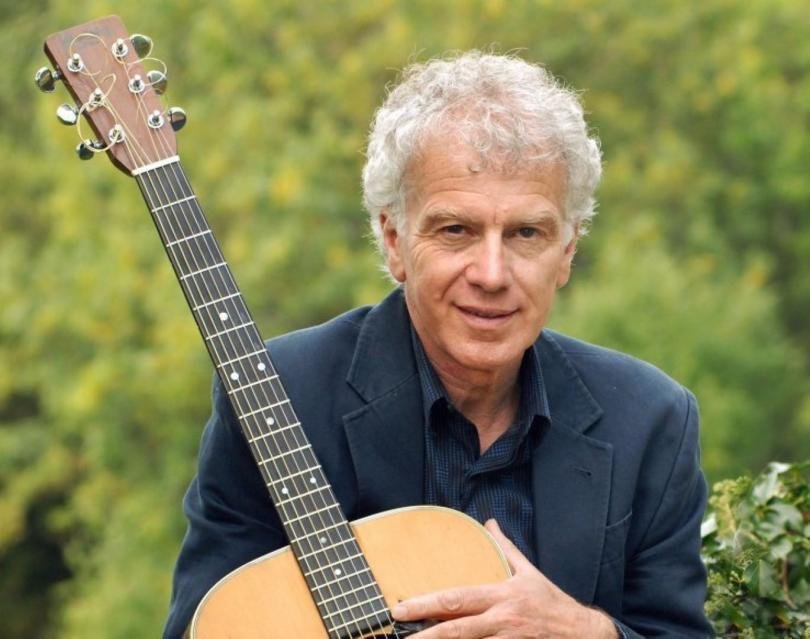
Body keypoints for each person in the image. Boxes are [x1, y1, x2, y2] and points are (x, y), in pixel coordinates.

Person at [163, 52, 711, 638]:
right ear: (393, 240)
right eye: (456, 230)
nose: (492, 274)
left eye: (526, 233)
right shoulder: (278, 394)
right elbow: (210, 623)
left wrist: (584, 632)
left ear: (568, 251)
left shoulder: (650, 420)